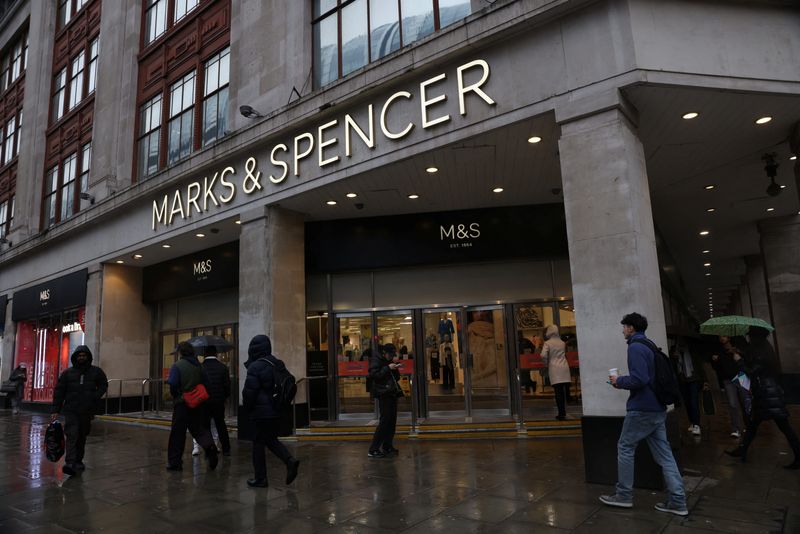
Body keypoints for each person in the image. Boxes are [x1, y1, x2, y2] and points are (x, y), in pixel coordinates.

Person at [600, 313, 688, 516]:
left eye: (624, 327)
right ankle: (678, 500)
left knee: (625, 447)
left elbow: (639, 379)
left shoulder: (635, 347)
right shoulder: (649, 344)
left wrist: (618, 381)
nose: (622, 330)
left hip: (642, 409)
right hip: (657, 408)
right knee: (665, 456)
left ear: (631, 328)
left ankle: (623, 495)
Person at [725, 327, 800, 469]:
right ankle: (742, 450)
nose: (749, 339)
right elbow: (753, 360)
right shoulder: (765, 350)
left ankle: (799, 455)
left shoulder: (761, 353)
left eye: (751, 337)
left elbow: (752, 371)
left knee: (783, 427)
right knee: (754, 425)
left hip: (766, 394)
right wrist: (739, 352)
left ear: (755, 338)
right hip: (768, 393)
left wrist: (739, 360)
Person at [242, 334, 300, 488]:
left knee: (258, 444)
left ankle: (261, 478)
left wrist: (247, 409)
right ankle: (290, 461)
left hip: (261, 414)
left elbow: (249, 393)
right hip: (276, 411)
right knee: (271, 440)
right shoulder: (277, 363)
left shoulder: (255, 367)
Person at [50, 346, 109, 476]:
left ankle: (78, 461)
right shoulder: (67, 373)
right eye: (79, 355)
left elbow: (104, 384)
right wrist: (55, 410)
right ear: (75, 357)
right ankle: (70, 462)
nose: (81, 357)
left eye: (84, 355)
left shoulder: (96, 372)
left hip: (87, 411)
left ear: (88, 357)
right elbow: (59, 391)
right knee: (72, 435)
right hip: (71, 410)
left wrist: (95, 396)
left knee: (82, 436)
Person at [165, 341, 218, 472]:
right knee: (199, 430)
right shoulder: (199, 366)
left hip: (182, 404)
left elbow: (172, 384)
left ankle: (175, 463)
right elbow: (207, 384)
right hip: (198, 404)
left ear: (181, 352)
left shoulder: (177, 366)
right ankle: (210, 447)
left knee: (178, 434)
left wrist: (177, 395)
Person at [192, 347, 231, 457]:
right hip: (218, 401)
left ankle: (209, 449)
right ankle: (226, 449)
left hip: (204, 401)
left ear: (204, 354)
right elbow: (227, 386)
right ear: (216, 353)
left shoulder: (200, 367)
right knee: (220, 425)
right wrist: (224, 397)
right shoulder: (223, 368)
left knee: (205, 426)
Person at [711, 336, 751, 439]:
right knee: (733, 404)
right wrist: (715, 360)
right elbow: (717, 368)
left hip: (741, 376)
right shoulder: (719, 350)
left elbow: (747, 360)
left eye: (723, 335)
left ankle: (750, 426)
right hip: (728, 380)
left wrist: (737, 352)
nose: (721, 338)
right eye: (720, 336)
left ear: (729, 336)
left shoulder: (738, 345)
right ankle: (736, 429)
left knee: (746, 402)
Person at [368, 343, 402, 458]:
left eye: (393, 355)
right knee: (384, 422)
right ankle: (373, 449)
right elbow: (374, 375)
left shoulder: (389, 360)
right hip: (383, 393)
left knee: (392, 421)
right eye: (390, 355)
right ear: (384, 353)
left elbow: (397, 378)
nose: (391, 357)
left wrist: (395, 367)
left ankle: (387, 446)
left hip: (392, 392)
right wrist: (387, 368)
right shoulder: (376, 359)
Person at [671, 338, 706, 436]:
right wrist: (675, 358)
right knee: (687, 402)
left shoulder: (691, 349)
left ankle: (697, 424)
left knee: (694, 401)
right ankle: (692, 422)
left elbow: (699, 364)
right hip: (682, 379)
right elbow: (673, 365)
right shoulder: (674, 350)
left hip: (693, 378)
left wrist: (704, 380)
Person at [541, 325, 570, 420]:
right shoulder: (562, 343)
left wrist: (546, 363)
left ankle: (561, 414)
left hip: (555, 368)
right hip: (564, 367)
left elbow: (543, 355)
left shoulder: (547, 343)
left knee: (558, 392)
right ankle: (564, 412)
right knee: (564, 391)